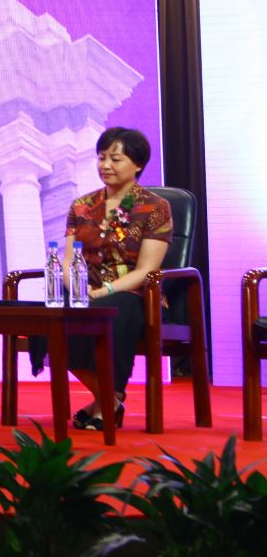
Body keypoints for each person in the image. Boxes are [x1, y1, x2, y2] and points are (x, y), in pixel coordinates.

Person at [40, 127, 172, 431]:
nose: (106, 165)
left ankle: (106, 403)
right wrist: (77, 287)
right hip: (86, 291)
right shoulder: (81, 206)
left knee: (114, 307)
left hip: (135, 294)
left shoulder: (155, 207)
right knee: (51, 315)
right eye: (101, 158)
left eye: (115, 159)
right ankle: (110, 402)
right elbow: (69, 259)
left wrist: (105, 290)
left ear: (137, 164)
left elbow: (146, 270)